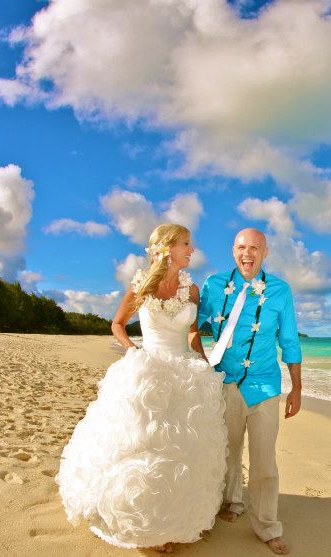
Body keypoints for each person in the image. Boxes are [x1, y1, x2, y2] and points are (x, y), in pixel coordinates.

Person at [56, 223, 226, 552]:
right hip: (149, 369)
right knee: (144, 444)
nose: (192, 250)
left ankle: (175, 521)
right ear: (167, 247)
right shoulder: (141, 285)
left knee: (183, 449)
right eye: (186, 243)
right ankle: (144, 526)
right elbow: (117, 324)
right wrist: (132, 350)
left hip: (185, 372)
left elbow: (192, 332)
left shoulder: (192, 289)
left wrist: (203, 362)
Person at [198, 228, 302, 555]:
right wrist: (197, 363)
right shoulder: (213, 285)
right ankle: (232, 502)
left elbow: (289, 340)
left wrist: (297, 387)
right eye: (242, 247)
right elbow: (191, 324)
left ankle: (268, 525)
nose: (248, 253)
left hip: (265, 385)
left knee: (264, 459)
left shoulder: (281, 290)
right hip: (224, 381)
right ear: (233, 250)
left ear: (265, 252)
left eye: (255, 248)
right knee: (228, 450)